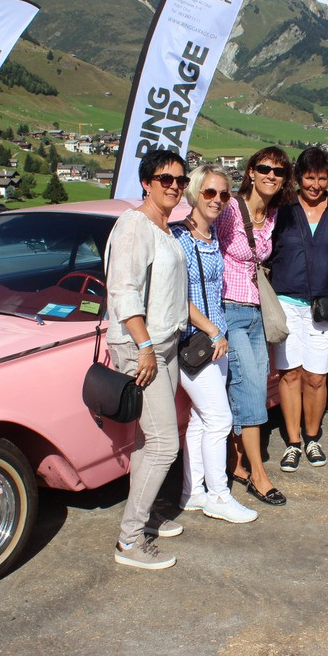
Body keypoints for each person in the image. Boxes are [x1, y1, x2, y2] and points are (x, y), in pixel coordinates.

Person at [105, 149, 189, 569]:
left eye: (180, 180)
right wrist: (143, 347)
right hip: (144, 348)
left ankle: (148, 511)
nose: (174, 186)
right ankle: (130, 541)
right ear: (146, 183)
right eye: (164, 179)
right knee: (164, 444)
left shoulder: (164, 227)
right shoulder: (134, 226)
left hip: (165, 344)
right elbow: (123, 291)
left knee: (148, 439)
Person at [171, 164, 258, 524]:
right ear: (194, 192)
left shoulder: (211, 235)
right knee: (220, 420)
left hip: (214, 343)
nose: (218, 199)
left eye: (224, 193)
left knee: (200, 420)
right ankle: (219, 496)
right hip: (196, 342)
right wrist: (213, 331)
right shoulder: (181, 239)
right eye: (210, 192)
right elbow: (177, 297)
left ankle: (192, 493)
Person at [214, 146, 295, 506]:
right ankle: (259, 476)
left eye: (278, 171)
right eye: (264, 168)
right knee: (248, 389)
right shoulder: (230, 209)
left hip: (257, 313)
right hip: (229, 310)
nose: (270, 176)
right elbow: (205, 246)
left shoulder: (273, 216)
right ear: (250, 171)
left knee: (255, 386)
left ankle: (236, 462)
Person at [268, 147, 328, 472]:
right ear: (298, 177)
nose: (315, 185)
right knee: (290, 375)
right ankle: (292, 443)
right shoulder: (283, 210)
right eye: (309, 178)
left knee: (316, 377)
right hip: (286, 305)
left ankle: (312, 437)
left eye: (322, 178)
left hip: (323, 307)